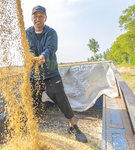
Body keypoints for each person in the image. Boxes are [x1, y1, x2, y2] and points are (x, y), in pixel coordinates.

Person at [25, 5, 88, 143]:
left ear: (45, 18)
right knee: (32, 103)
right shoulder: (27, 32)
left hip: (50, 74)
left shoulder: (51, 32)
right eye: (35, 16)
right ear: (31, 18)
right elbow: (28, 48)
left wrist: (43, 57)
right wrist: (30, 54)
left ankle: (72, 126)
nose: (37, 19)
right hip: (34, 76)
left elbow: (50, 48)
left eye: (41, 16)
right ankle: (32, 129)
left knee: (61, 97)